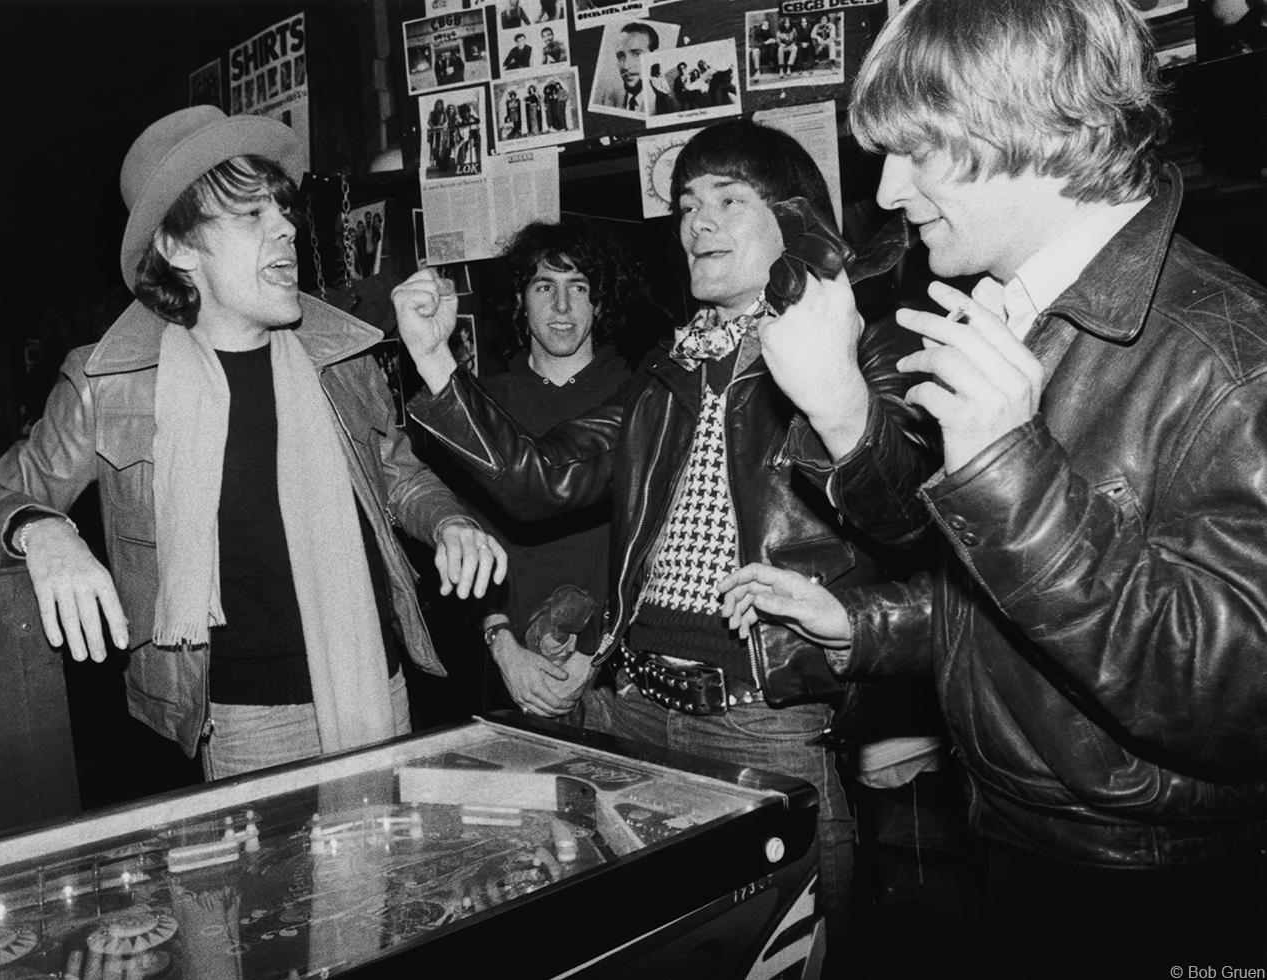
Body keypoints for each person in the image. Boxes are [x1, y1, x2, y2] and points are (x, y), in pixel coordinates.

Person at [719, 0, 1267, 973]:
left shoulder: (1228, 355)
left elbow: (1237, 694)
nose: (888, 187)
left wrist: (1007, 459)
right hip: (1020, 849)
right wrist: (846, 416)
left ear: (1044, 128)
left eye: (918, 149)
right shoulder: (1012, 310)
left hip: (1153, 891)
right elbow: (986, 576)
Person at [393, 119, 935, 956]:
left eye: (727, 200)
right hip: (631, 709)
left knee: (781, 954)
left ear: (793, 218)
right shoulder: (667, 367)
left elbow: (907, 517)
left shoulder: (867, 344)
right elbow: (547, 481)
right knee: (651, 954)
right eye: (686, 204)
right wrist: (435, 365)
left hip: (763, 714)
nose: (696, 222)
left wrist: (838, 397)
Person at [0, 106, 506, 781]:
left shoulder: (337, 358)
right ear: (178, 250)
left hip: (378, 685)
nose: (287, 228)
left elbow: (398, 476)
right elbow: (1, 488)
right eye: (251, 216)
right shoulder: (107, 384)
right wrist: (43, 531)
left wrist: (451, 521)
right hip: (245, 723)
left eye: (281, 211)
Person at [460, 222, 635, 716]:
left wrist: (597, 655)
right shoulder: (484, 404)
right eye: (544, 287)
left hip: (617, 674)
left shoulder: (639, 395)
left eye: (578, 288)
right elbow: (466, 536)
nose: (562, 308)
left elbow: (651, 541)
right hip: (508, 668)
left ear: (599, 303)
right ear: (520, 300)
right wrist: (503, 645)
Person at [600, 21, 658, 112]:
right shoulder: (610, 97)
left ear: (654, 58)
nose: (626, 66)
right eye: (620, 56)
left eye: (637, 54)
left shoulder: (665, 104)